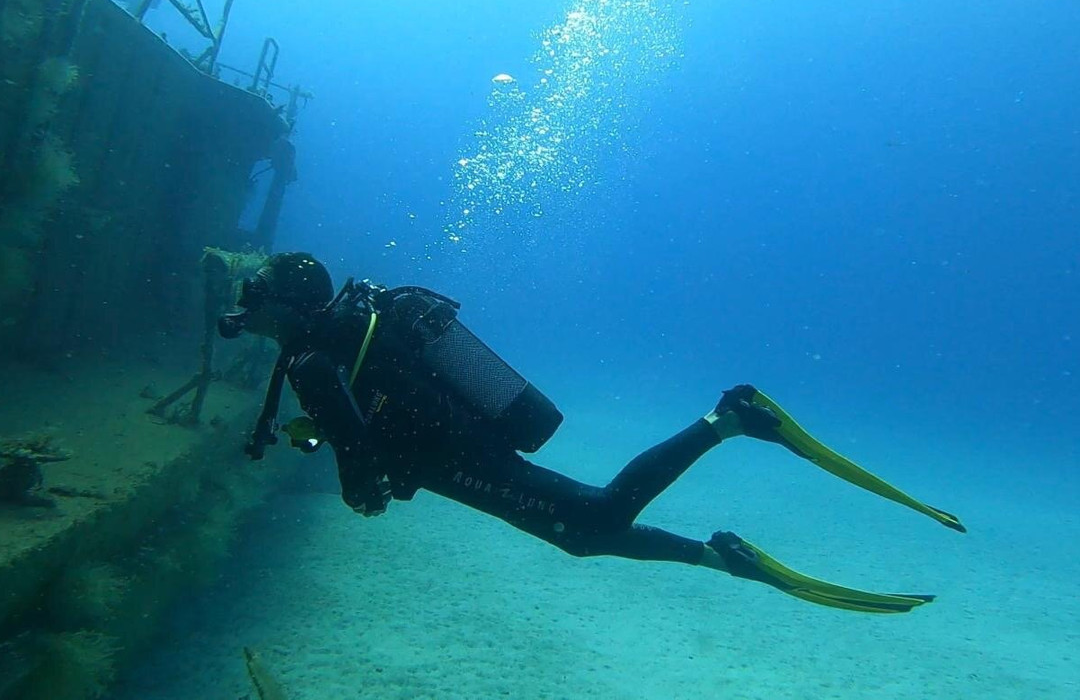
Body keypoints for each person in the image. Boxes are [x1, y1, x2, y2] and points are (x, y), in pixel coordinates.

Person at [218, 252, 965, 613]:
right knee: (582, 533)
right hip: (458, 450)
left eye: (260, 304)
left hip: (457, 457)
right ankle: (721, 556)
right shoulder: (343, 339)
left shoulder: (316, 357)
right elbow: (361, 423)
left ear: (287, 303)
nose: (256, 319)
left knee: (597, 516)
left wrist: (362, 492)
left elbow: (355, 449)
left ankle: (727, 420)